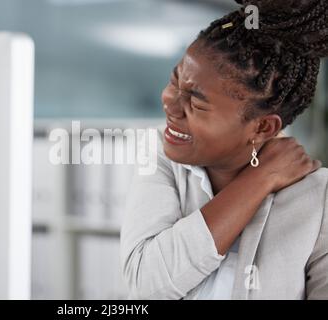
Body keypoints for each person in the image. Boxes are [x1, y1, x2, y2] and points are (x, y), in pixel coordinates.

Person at [121, 0, 328, 299]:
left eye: (196, 101)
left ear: (262, 128)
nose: (169, 103)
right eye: (175, 80)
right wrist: (260, 179)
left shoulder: (318, 201)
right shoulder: (160, 155)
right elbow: (145, 283)